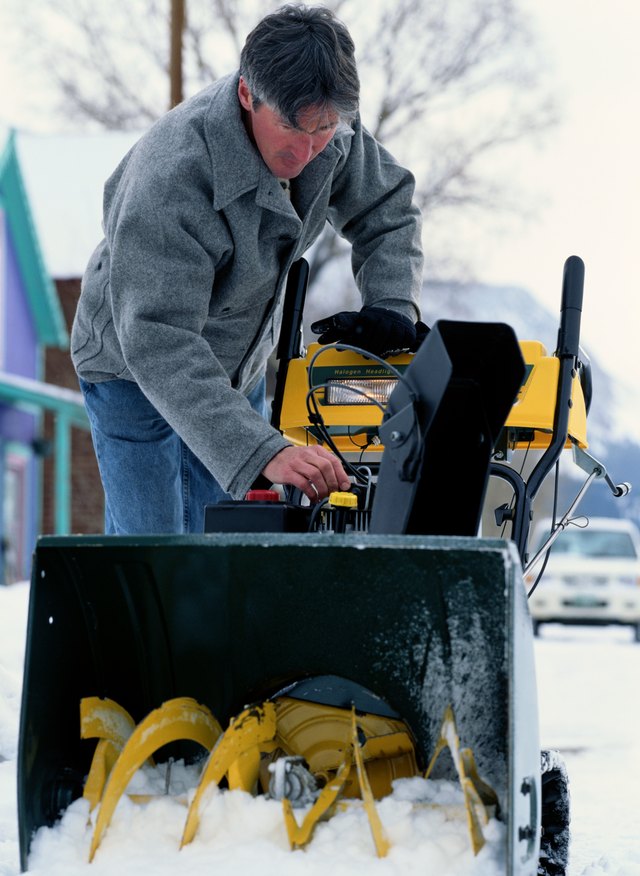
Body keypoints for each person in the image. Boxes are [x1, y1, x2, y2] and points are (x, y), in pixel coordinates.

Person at [71, 3, 424, 535]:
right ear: (246, 95)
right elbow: (158, 338)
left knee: (233, 540)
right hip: (134, 367)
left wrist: (392, 305)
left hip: (240, 362)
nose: (308, 150)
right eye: (292, 127)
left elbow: (388, 209)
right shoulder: (172, 179)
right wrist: (260, 448)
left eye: (325, 128)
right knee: (155, 551)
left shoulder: (334, 133)